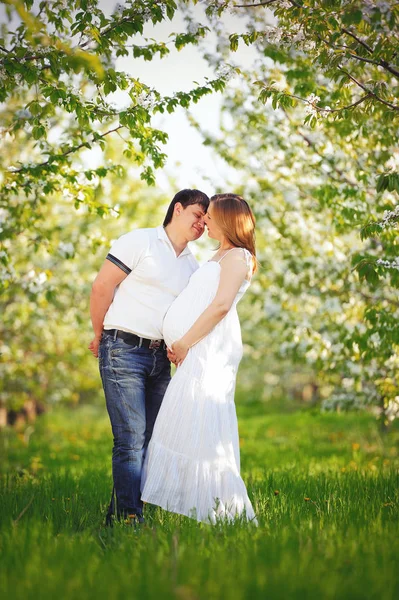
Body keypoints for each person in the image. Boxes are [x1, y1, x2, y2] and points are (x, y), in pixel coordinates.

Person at [89, 189, 210, 525]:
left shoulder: (192, 265)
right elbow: (102, 287)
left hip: (160, 359)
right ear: (178, 208)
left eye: (206, 220)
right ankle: (130, 518)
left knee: (149, 441)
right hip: (123, 350)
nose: (201, 224)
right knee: (130, 438)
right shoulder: (139, 241)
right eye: (197, 215)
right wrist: (100, 335)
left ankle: (120, 514)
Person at [141, 193, 258, 524]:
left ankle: (223, 510)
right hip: (196, 348)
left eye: (211, 216)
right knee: (186, 424)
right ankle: (195, 506)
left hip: (207, 349)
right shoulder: (219, 255)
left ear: (228, 220)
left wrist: (185, 342)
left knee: (204, 425)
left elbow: (220, 305)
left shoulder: (238, 256)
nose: (205, 221)